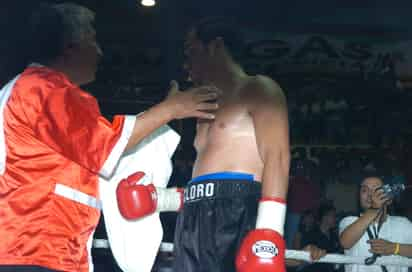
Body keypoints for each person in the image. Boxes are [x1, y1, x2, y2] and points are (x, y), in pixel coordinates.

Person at [0, 3, 219, 272]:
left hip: (32, 244)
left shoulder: (26, 88)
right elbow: (105, 147)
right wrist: (171, 109)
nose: (100, 52)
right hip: (35, 247)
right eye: (93, 41)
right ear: (71, 46)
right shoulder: (48, 90)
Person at [116, 17, 290, 272]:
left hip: (238, 214)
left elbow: (278, 157)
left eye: (191, 51)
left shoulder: (259, 89)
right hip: (193, 219)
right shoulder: (201, 110)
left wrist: (270, 230)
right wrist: (162, 199)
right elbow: (209, 187)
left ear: (216, 46)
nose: (186, 63)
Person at [339, 173, 412, 272]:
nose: (370, 195)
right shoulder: (350, 221)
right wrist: (375, 208)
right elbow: (345, 242)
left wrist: (395, 248)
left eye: (376, 190)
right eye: (365, 190)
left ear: (389, 199)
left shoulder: (402, 224)